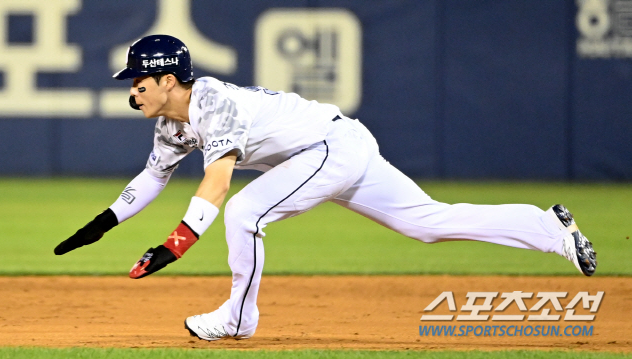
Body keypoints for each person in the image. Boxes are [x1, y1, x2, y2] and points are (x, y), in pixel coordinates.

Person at [54, 35, 597, 341]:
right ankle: (547, 227)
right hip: (332, 149)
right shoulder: (171, 124)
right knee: (425, 223)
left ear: (168, 79)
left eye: (138, 80)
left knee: (245, 211)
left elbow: (217, 181)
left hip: (330, 150)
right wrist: (101, 224)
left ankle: (238, 318)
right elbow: (153, 178)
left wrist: (174, 246)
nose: (133, 90)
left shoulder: (211, 101)